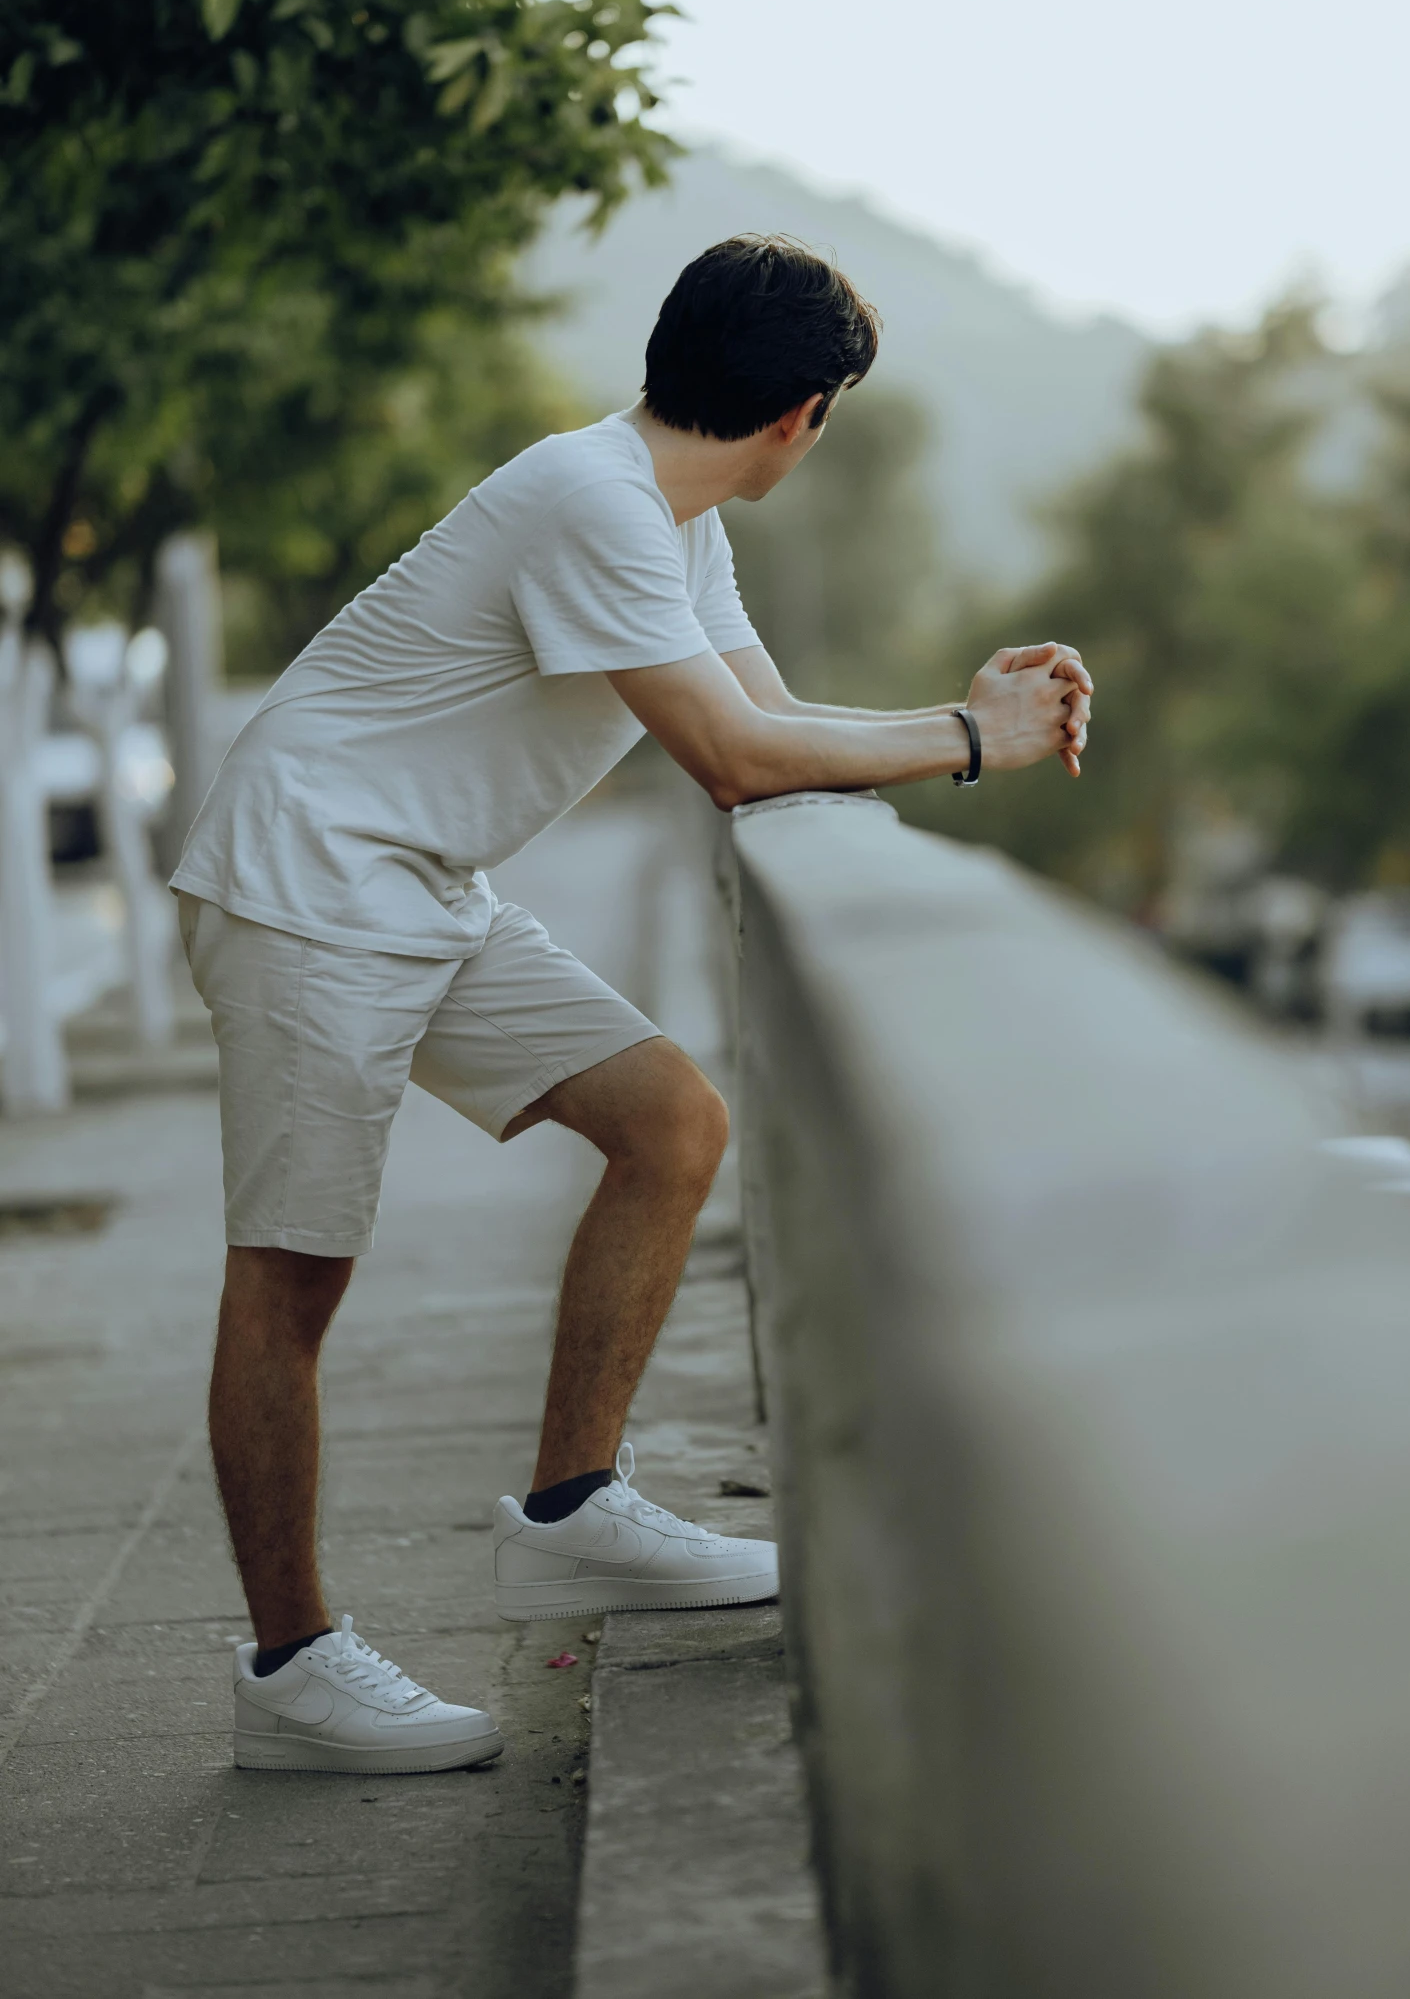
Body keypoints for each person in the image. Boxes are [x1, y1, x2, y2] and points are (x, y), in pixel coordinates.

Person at [171, 234, 1092, 1774]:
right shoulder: (593, 500)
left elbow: (771, 719)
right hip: (307, 887)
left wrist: (961, 713)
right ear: (805, 413)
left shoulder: (668, 508)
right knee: (292, 1278)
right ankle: (292, 1670)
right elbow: (731, 764)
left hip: (422, 885)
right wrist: (972, 736)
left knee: (669, 1121)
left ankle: (572, 1510)